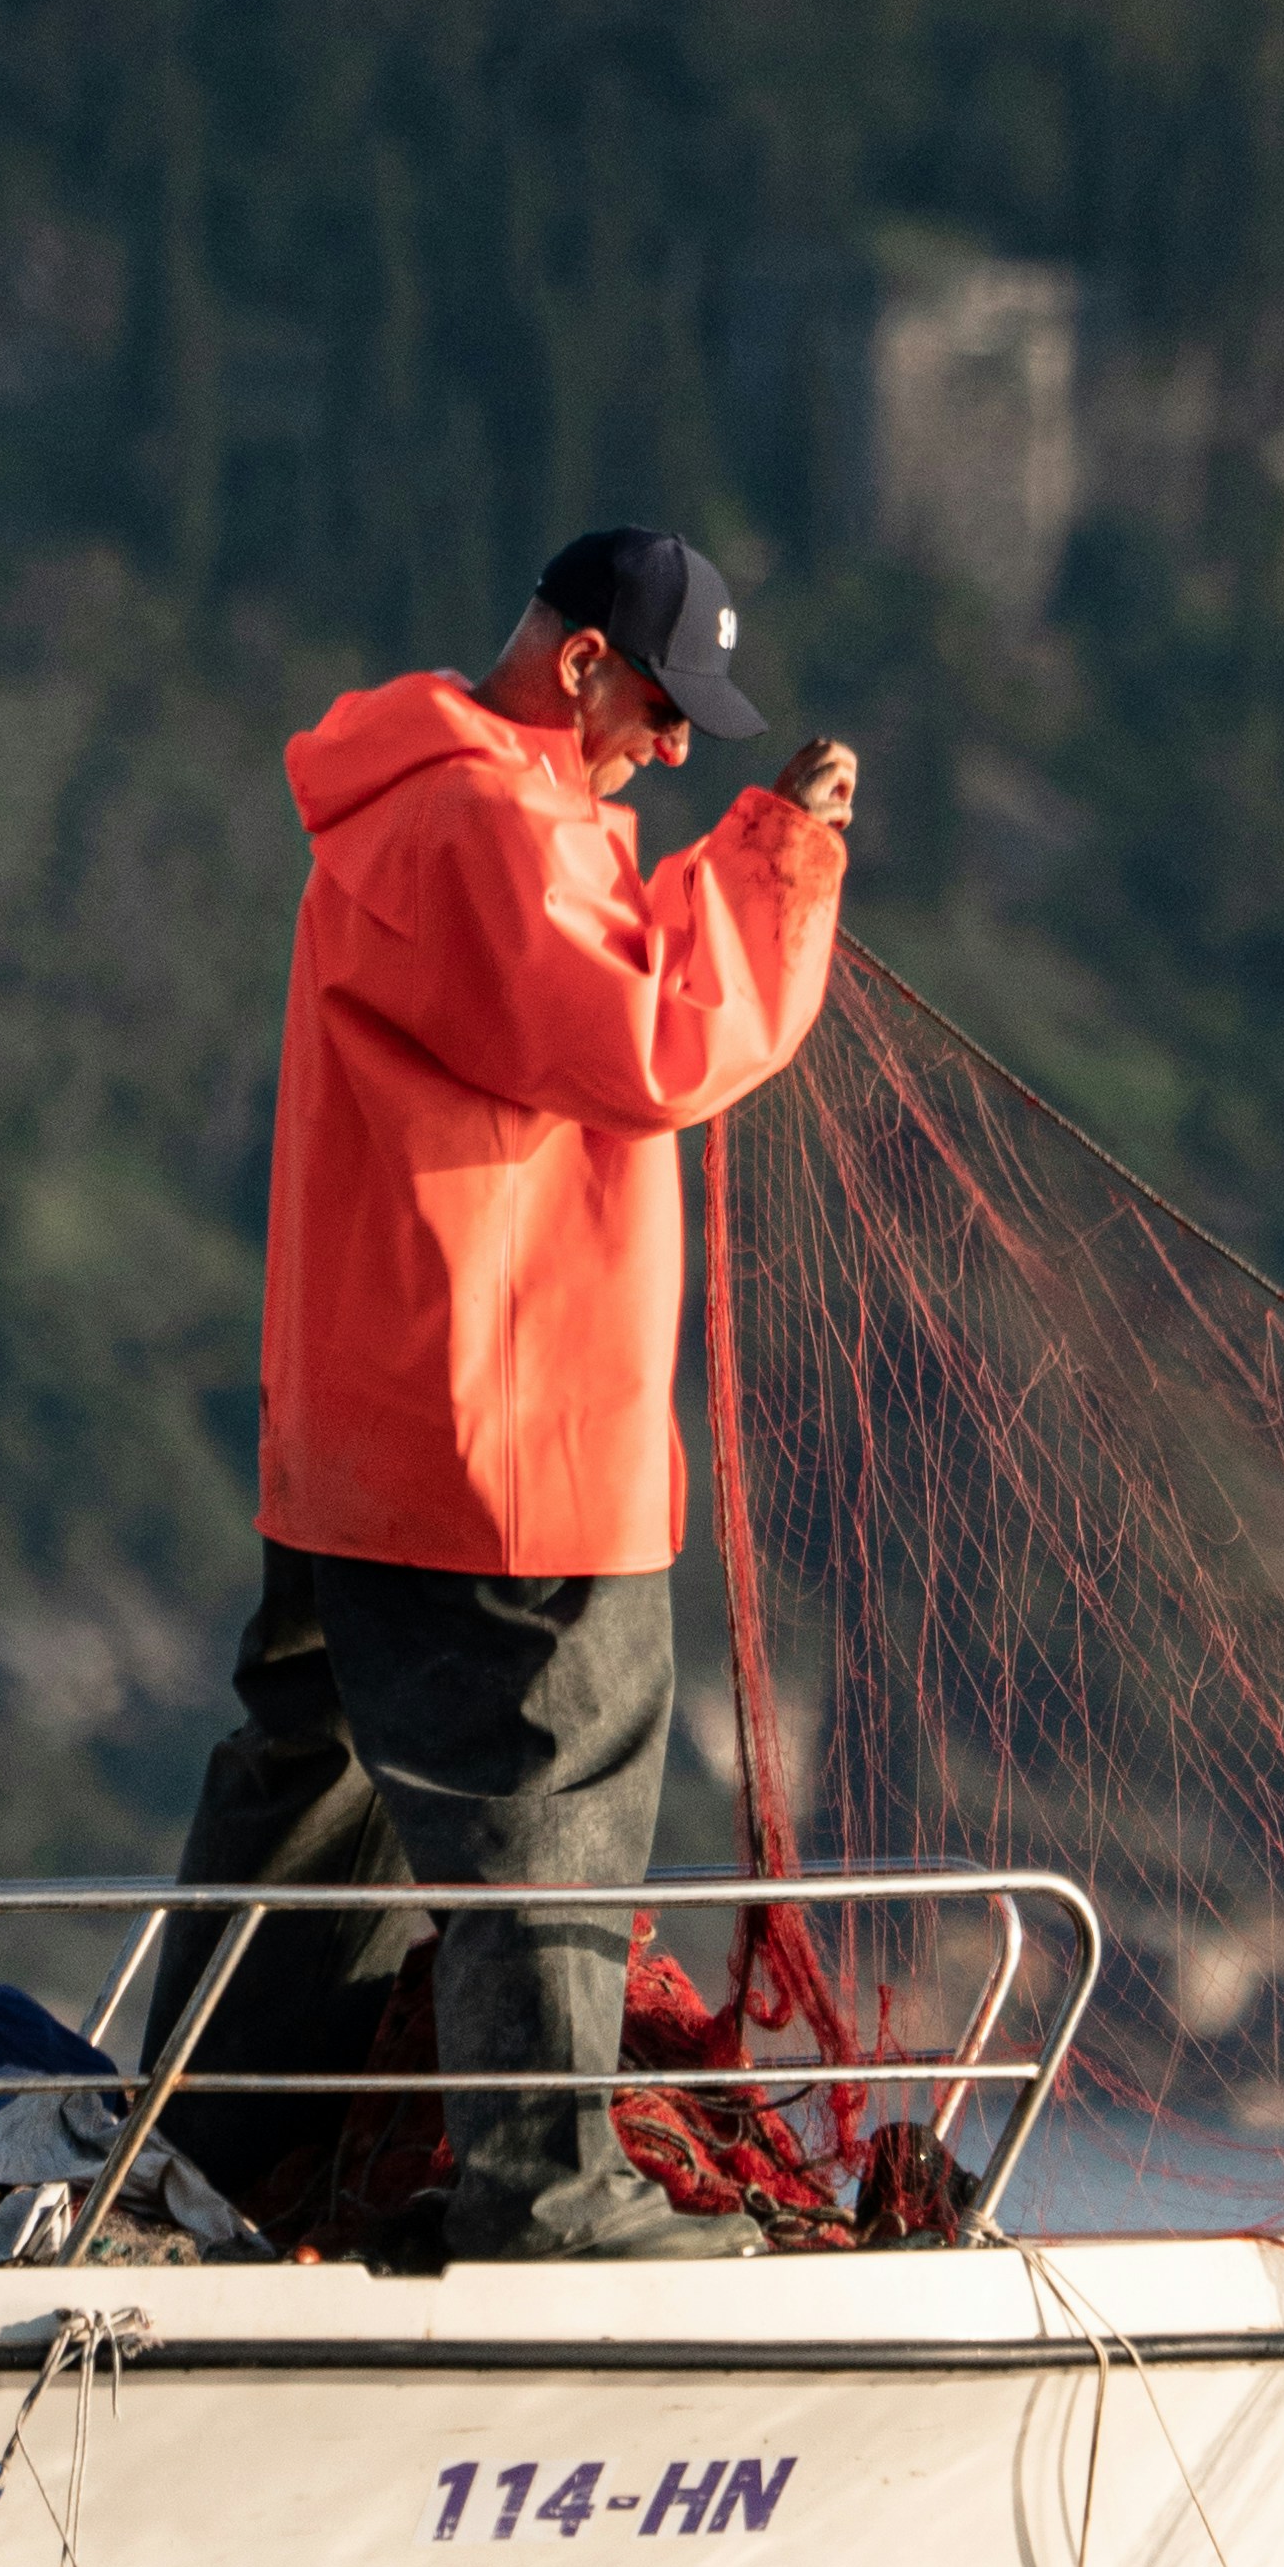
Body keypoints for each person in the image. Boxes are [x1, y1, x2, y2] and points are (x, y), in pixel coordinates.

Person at [156, 525, 856, 2259]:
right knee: (557, 1793)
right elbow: (653, 1043)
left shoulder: (427, 812)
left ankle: (198, 2157)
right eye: (664, 704)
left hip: (364, 1436)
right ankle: (546, 2198)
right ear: (576, 666)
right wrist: (786, 867)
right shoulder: (481, 821)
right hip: (507, 1442)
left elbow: (595, 955)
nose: (681, 746)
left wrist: (762, 846)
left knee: (311, 1793)